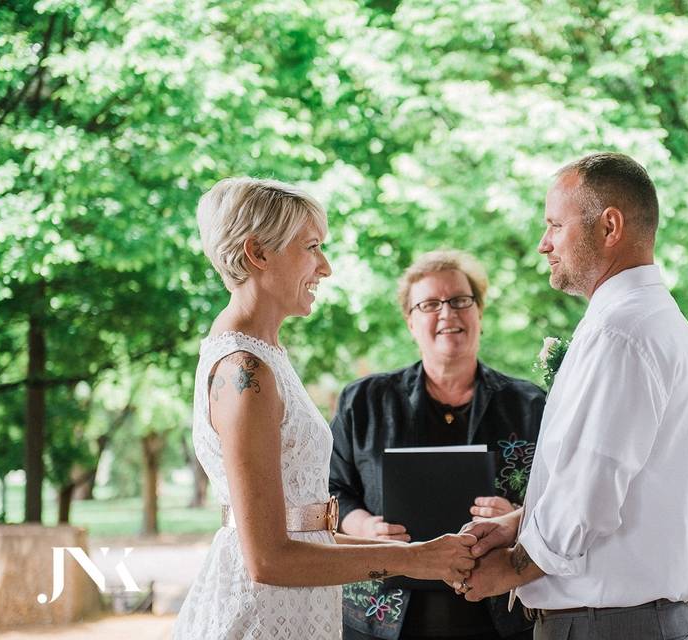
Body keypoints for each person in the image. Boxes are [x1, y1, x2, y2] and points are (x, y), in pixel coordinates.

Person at [173, 178, 477, 640]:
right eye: (312, 247)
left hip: (299, 608)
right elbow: (269, 559)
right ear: (258, 253)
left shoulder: (266, 356)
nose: (326, 267)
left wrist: (424, 552)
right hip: (258, 619)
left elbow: (302, 526)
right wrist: (415, 560)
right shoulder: (242, 370)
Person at [452, 153, 688, 640]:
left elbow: (589, 495)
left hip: (611, 626)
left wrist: (513, 567)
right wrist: (522, 522)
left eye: (555, 225)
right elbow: (622, 485)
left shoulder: (622, 332)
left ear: (610, 226)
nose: (543, 244)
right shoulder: (647, 320)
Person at [329, 249, 546, 640]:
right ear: (410, 322)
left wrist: (516, 515)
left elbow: (563, 500)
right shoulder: (363, 401)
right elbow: (331, 490)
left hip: (500, 617)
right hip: (381, 614)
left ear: (479, 311)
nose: (447, 313)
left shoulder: (531, 404)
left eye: (460, 300)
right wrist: (362, 526)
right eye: (429, 304)